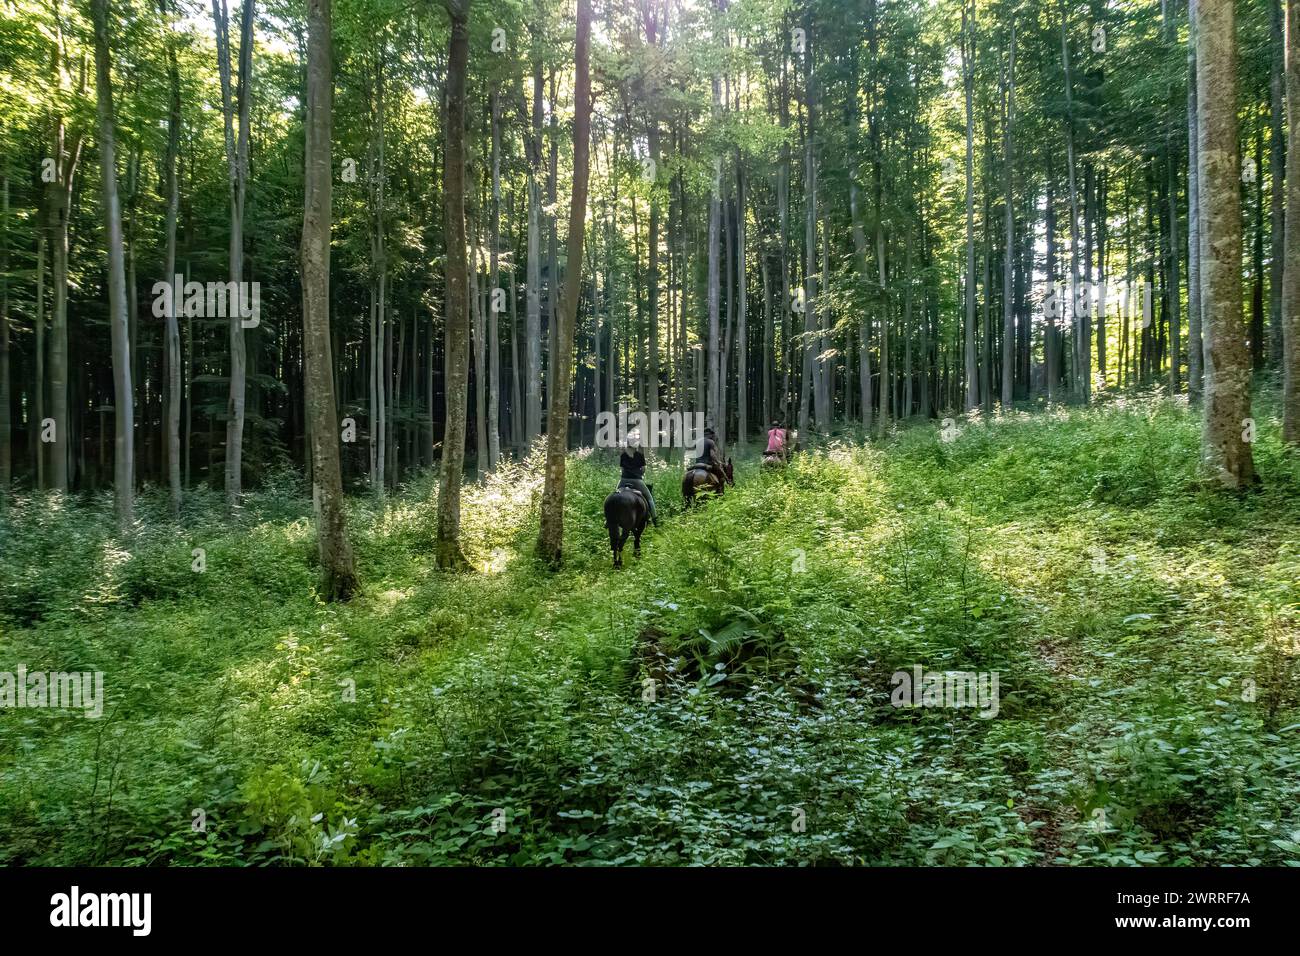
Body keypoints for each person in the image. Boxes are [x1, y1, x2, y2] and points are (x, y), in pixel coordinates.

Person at [619, 439, 658, 527]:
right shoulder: (639, 455)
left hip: (624, 479)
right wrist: (639, 474)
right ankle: (655, 519)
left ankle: (607, 520)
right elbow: (643, 469)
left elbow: (622, 469)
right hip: (637, 480)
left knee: (615, 493)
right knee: (649, 498)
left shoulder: (623, 455)